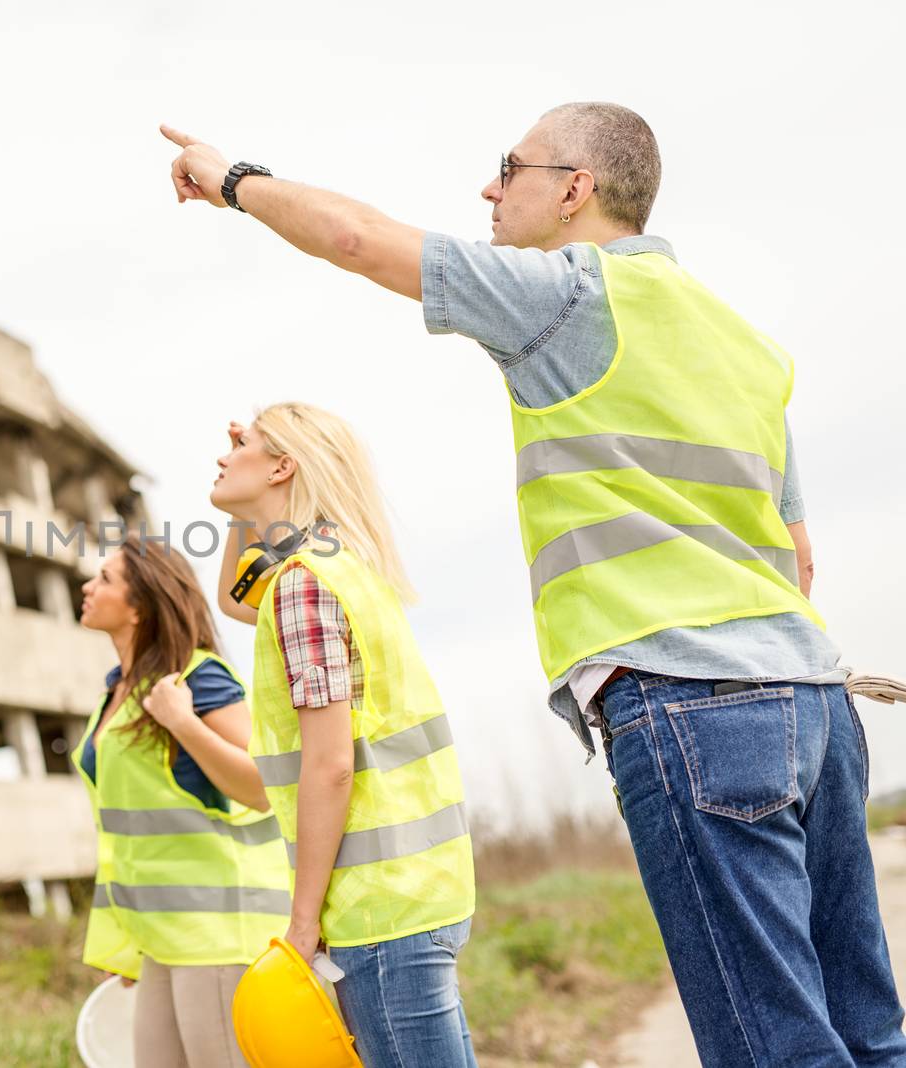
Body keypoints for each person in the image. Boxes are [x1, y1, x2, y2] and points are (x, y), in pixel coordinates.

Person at [160, 104, 906, 1065]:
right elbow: (797, 556)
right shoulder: (746, 347)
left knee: (776, 1047)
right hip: (818, 707)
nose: (488, 189)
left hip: (693, 703)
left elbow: (356, 238)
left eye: (507, 168)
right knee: (868, 1034)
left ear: (575, 189)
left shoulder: (565, 294)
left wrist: (232, 180)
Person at [211, 403, 477, 1067]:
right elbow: (231, 600)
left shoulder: (303, 586)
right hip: (420, 892)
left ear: (282, 464)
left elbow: (329, 766)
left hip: (378, 910)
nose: (221, 455)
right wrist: (245, 507)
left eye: (241, 446)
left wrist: (303, 923)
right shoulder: (341, 570)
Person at [71, 538, 290, 1068]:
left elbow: (263, 787)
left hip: (218, 934)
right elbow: (129, 836)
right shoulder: (116, 691)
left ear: (140, 604)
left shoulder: (197, 678)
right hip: (161, 938)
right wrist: (126, 942)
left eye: (104, 578)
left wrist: (183, 722)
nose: (87, 586)